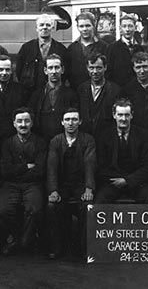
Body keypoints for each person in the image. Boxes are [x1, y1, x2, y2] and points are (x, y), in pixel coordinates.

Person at [0, 107, 47, 255]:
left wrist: (17, 171)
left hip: (33, 184)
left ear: (32, 123)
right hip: (11, 185)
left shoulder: (40, 143)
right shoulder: (8, 143)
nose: (23, 124)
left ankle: (22, 242)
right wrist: (26, 166)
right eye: (19, 121)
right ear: (14, 124)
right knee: (2, 212)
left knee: (35, 209)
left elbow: (40, 170)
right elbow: (5, 171)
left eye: (26, 121)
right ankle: (21, 239)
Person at [47, 108, 96, 259]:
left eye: (74, 119)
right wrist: (53, 190)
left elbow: (90, 164)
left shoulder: (88, 140)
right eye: (67, 119)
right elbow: (52, 166)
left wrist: (88, 188)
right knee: (53, 207)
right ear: (62, 122)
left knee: (86, 207)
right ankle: (57, 248)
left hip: (80, 183)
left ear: (80, 121)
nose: (71, 123)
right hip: (63, 184)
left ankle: (83, 249)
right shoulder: (56, 141)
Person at [94, 98, 148, 204]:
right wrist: (118, 180)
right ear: (114, 115)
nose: (123, 119)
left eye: (127, 115)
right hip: (113, 183)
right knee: (99, 201)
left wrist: (127, 180)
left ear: (132, 115)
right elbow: (101, 166)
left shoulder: (142, 135)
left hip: (137, 183)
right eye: (120, 115)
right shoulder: (105, 136)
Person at [27, 53, 78, 142]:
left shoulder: (71, 95)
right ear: (45, 71)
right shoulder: (36, 95)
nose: (54, 72)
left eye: (57, 67)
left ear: (62, 70)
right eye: (50, 68)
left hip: (63, 141)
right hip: (41, 141)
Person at [120, 51, 148, 141]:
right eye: (138, 67)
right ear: (133, 68)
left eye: (145, 66)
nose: (142, 71)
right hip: (135, 139)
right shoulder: (126, 90)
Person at [16, 14, 67, 91]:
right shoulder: (26, 48)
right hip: (30, 93)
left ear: (52, 28)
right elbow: (19, 71)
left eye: (48, 25)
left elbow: (65, 73)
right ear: (36, 28)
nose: (44, 27)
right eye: (41, 25)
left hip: (53, 92)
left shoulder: (61, 49)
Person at [77, 53, 120, 138]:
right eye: (91, 68)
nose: (95, 72)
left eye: (99, 68)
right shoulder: (81, 89)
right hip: (86, 137)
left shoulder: (114, 90)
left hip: (107, 138)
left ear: (105, 68)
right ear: (87, 68)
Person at [66, 12, 108, 90]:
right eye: (81, 26)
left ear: (93, 26)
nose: (84, 29)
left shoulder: (104, 47)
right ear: (77, 27)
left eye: (88, 26)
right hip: (76, 90)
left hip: (98, 90)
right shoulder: (72, 48)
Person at [106, 13, 144, 87]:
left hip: (136, 90)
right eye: (124, 26)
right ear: (120, 28)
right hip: (118, 90)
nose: (127, 29)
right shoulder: (112, 48)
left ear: (135, 28)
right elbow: (108, 73)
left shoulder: (140, 48)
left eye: (130, 26)